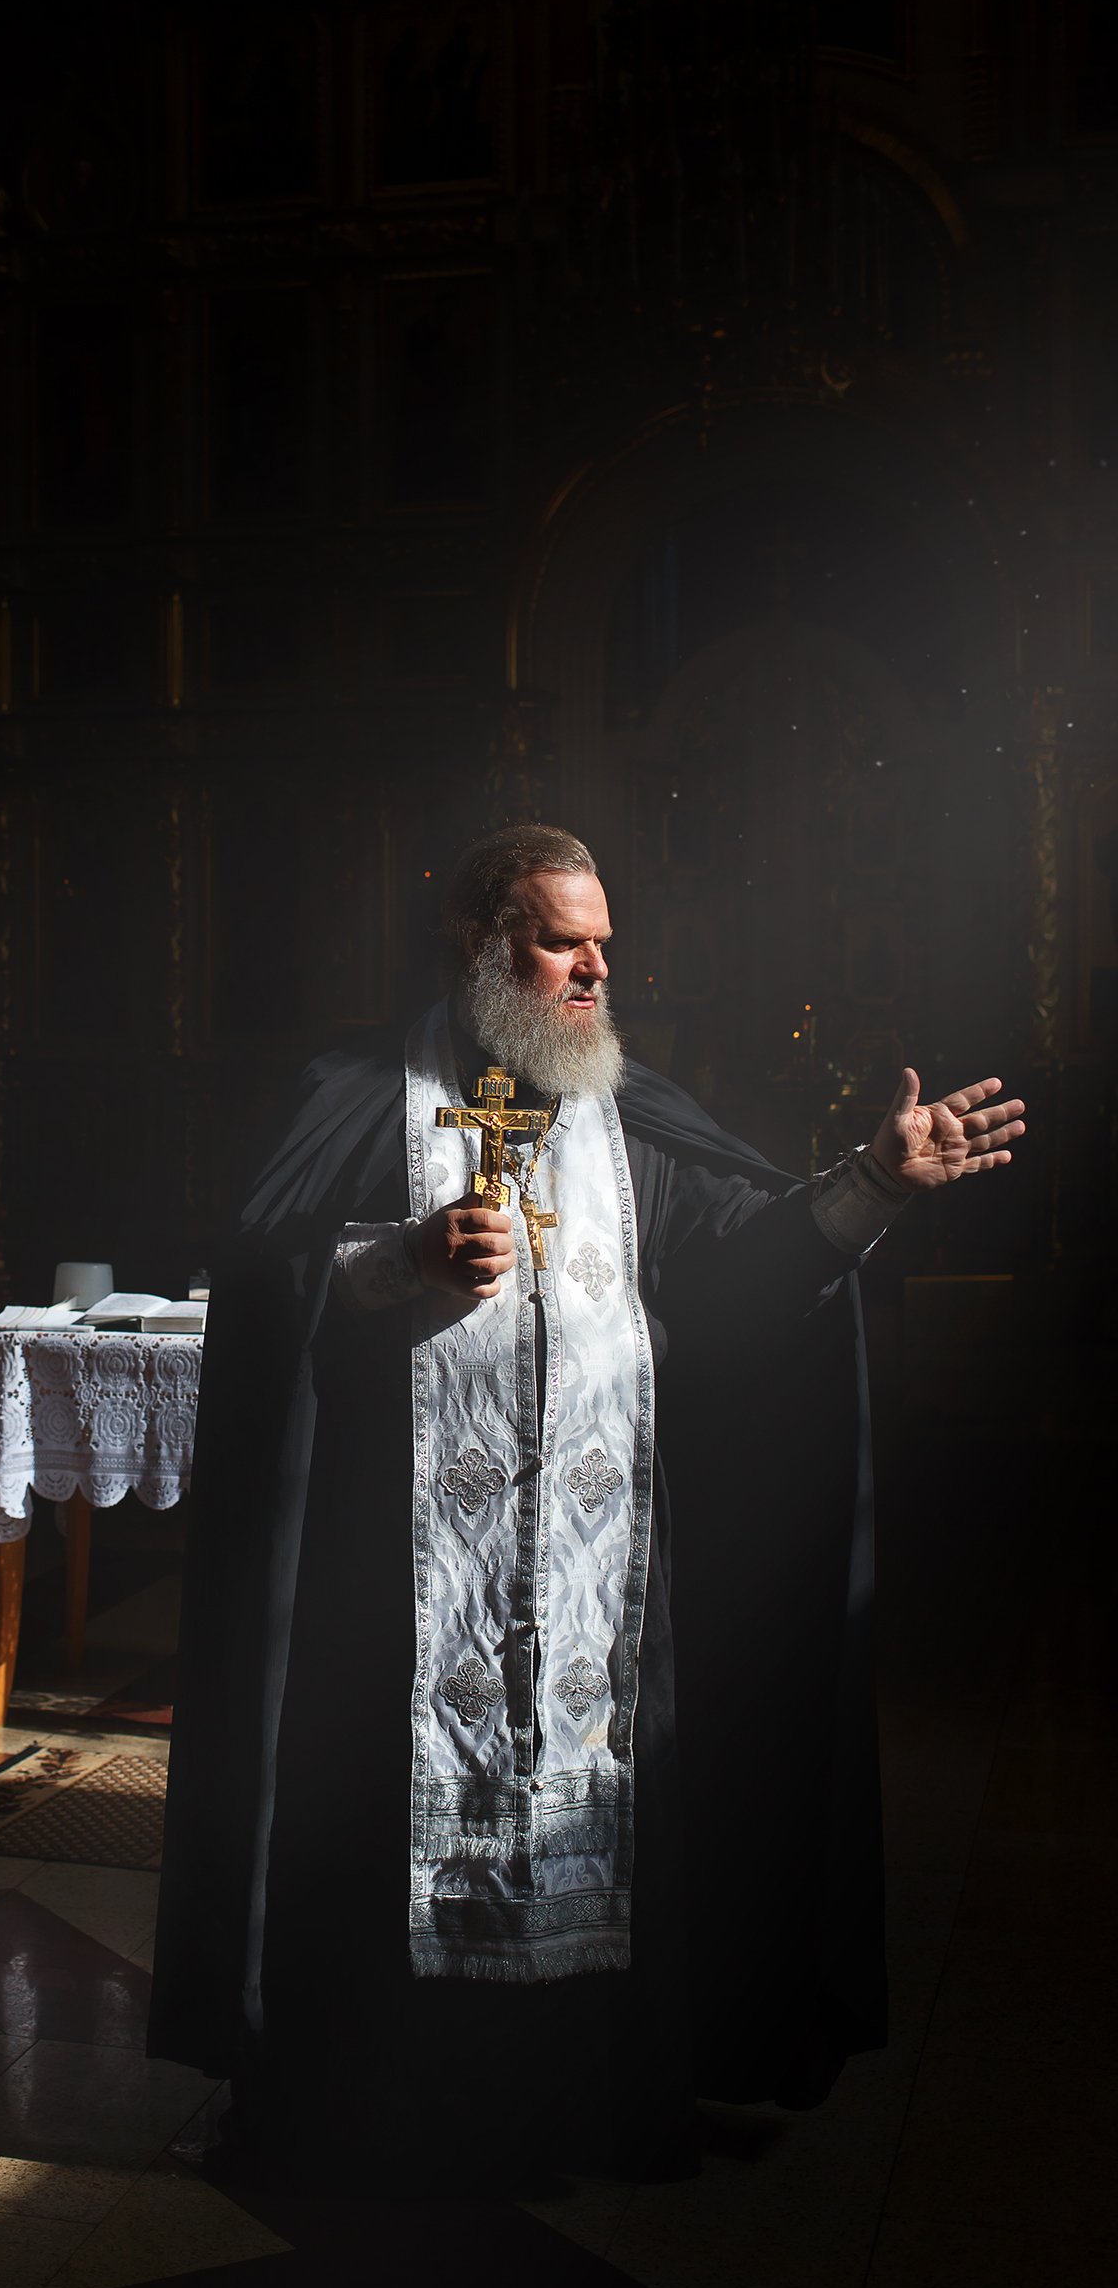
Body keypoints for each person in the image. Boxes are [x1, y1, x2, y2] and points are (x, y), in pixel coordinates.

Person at [149, 822, 1023, 2180]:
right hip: (396, 1587)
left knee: (605, 1817)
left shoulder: (635, 1117)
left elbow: (743, 1269)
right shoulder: (356, 1095)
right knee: (378, 1831)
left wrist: (872, 1185)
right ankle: (368, 2107)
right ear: (479, 942)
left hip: (600, 1576)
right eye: (565, 942)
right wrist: (402, 1260)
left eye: (604, 944)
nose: (597, 970)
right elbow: (266, 1290)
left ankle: (591, 2101)